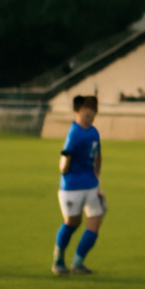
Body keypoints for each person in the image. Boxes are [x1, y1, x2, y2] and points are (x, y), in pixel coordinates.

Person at [53, 95, 105, 276]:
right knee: (72, 223)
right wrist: (64, 170)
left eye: (93, 109)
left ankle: (78, 262)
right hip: (72, 186)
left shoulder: (94, 132)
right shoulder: (74, 132)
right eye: (86, 108)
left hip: (90, 185)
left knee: (96, 219)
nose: (91, 112)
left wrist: (97, 180)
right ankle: (58, 260)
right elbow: (65, 156)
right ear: (77, 111)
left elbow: (98, 156)